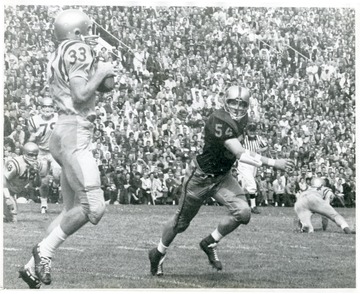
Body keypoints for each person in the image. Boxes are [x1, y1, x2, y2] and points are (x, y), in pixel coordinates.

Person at [148, 86, 294, 276]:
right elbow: (240, 153)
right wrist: (274, 162)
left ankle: (210, 241)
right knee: (181, 223)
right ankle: (158, 252)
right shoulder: (218, 120)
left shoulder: (243, 121)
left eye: (242, 104)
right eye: (234, 102)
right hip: (200, 178)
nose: (238, 107)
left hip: (222, 177)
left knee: (243, 213)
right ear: (226, 101)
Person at [19, 9, 115, 289]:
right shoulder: (78, 47)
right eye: (84, 31)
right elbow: (81, 94)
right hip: (75, 131)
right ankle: (43, 253)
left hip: (63, 131)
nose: (88, 35)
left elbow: (101, 86)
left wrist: (103, 65)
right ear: (75, 32)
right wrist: (103, 68)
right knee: (94, 208)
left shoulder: (59, 51)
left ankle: (30, 268)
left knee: (69, 211)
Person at [28, 97, 60, 214]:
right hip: (41, 151)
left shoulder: (58, 117)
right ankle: (44, 203)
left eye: (50, 106)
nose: (47, 109)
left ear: (53, 108)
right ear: (40, 108)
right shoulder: (34, 120)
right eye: (45, 106)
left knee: (57, 174)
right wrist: (35, 135)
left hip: (55, 150)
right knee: (44, 181)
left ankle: (56, 186)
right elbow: (30, 139)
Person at [3, 142, 41, 223]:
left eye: (35, 155)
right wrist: (7, 197)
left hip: (13, 191)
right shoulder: (16, 163)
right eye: (31, 155)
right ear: (24, 153)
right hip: (4, 189)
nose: (34, 157)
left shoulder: (37, 164)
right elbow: (3, 179)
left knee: (11, 217)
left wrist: (37, 173)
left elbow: (37, 184)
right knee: (13, 215)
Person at [237, 120, 268, 214]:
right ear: (247, 131)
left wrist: (260, 149)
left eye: (253, 130)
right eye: (250, 130)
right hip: (244, 163)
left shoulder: (258, 138)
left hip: (253, 164)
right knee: (252, 185)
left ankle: (237, 204)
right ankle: (253, 206)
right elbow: (236, 143)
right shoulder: (244, 138)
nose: (252, 132)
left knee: (245, 187)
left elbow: (266, 146)